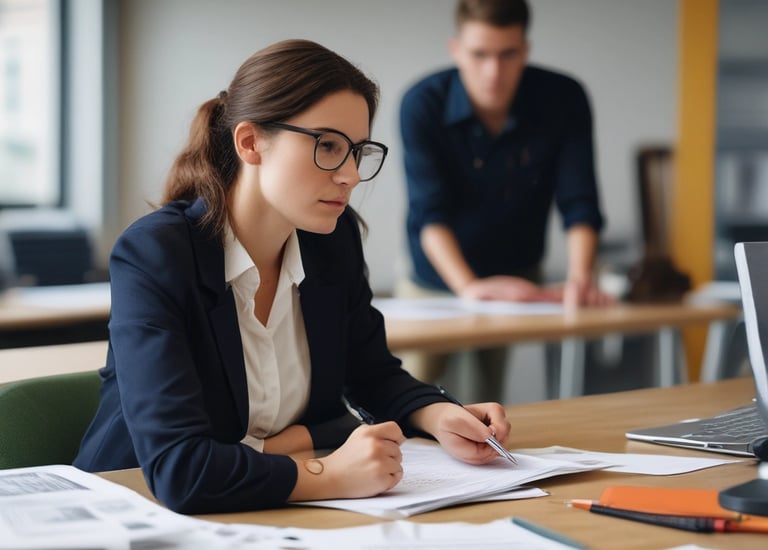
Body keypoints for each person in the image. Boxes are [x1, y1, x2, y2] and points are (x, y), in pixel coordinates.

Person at [74, 39, 511, 514]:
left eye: (357, 151)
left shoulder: (332, 239)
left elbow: (371, 373)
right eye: (328, 146)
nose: (350, 175)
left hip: (266, 512)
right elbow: (181, 469)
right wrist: (329, 473)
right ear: (250, 143)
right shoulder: (156, 253)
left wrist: (438, 414)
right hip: (128, 511)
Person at [397, 0, 613, 394]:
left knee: (483, 402)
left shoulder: (564, 98)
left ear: (525, 50)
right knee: (406, 391)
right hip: (434, 277)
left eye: (508, 54)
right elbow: (429, 212)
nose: (493, 72)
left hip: (517, 275)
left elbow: (580, 201)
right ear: (456, 49)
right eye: (479, 54)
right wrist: (468, 287)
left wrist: (580, 279)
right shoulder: (422, 103)